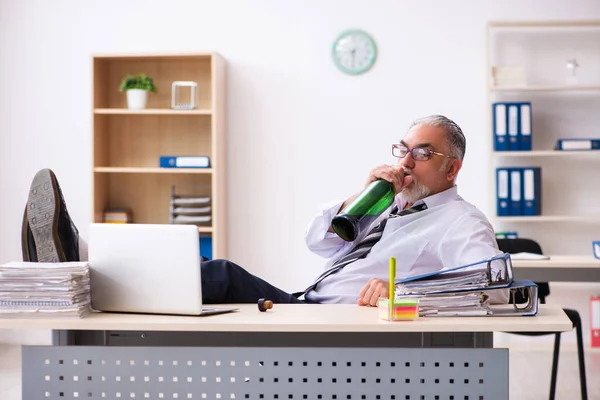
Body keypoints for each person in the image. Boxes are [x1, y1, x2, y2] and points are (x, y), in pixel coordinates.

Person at [20, 115, 508, 306]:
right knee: (184, 288)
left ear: (453, 168)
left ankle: (77, 262)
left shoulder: (459, 221)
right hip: (309, 304)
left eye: (423, 153)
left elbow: (491, 286)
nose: (406, 161)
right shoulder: (392, 205)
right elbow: (319, 242)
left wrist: (404, 295)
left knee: (222, 276)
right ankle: (80, 262)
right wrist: (353, 200)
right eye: (403, 148)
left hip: (341, 321)